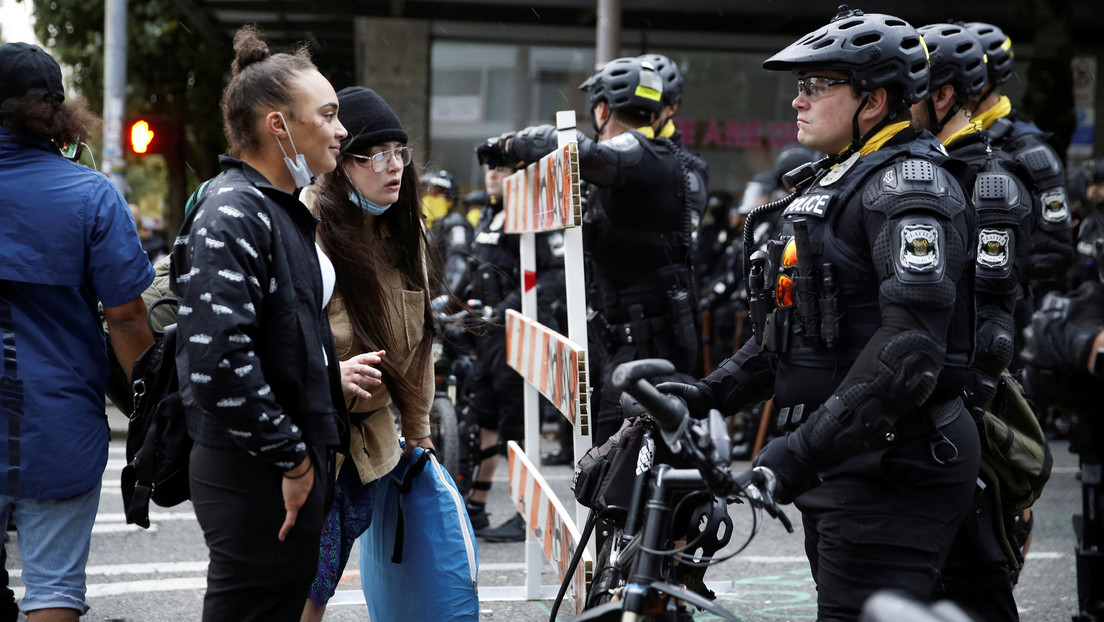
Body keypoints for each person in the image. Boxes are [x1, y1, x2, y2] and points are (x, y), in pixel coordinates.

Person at [660, 8, 981, 620]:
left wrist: (797, 455)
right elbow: (788, 333)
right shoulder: (840, 181)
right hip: (844, 461)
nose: (797, 101)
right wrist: (704, 395)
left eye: (816, 86)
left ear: (873, 99)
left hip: (892, 467)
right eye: (798, 87)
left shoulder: (909, 187)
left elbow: (908, 350)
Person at [170, 26, 350, 621]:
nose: (341, 130)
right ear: (279, 125)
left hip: (280, 463)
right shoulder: (234, 209)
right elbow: (218, 360)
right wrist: (294, 461)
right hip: (256, 469)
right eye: (326, 114)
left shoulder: (276, 207)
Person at [477, 55, 706, 450]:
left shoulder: (645, 158)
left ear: (601, 109)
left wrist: (507, 144)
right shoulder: (658, 164)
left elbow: (574, 147)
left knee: (616, 482)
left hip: (644, 351)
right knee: (615, 474)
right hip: (624, 344)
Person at [0, 42, 155, 620]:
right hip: (58, 424)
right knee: (53, 590)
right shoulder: (90, 195)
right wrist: (150, 402)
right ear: (58, 112)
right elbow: (128, 317)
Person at [909, 23, 1036, 621]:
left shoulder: (987, 179)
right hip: (926, 414)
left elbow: (994, 322)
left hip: (966, 420)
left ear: (941, 97)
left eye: (905, 88)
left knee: (975, 581)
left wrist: (963, 423)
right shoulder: (922, 166)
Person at [298, 86, 437, 621]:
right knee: (301, 582)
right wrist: (330, 374)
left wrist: (419, 428)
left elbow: (421, 341)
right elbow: (274, 340)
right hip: (307, 442)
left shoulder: (405, 233)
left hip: (367, 447)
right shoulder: (302, 230)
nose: (393, 166)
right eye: (375, 155)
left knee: (323, 581)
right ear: (339, 163)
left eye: (399, 152)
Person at [965, 21, 1075, 311]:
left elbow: (1053, 252)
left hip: (1007, 312)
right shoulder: (948, 140)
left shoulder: (1028, 149)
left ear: (982, 83)